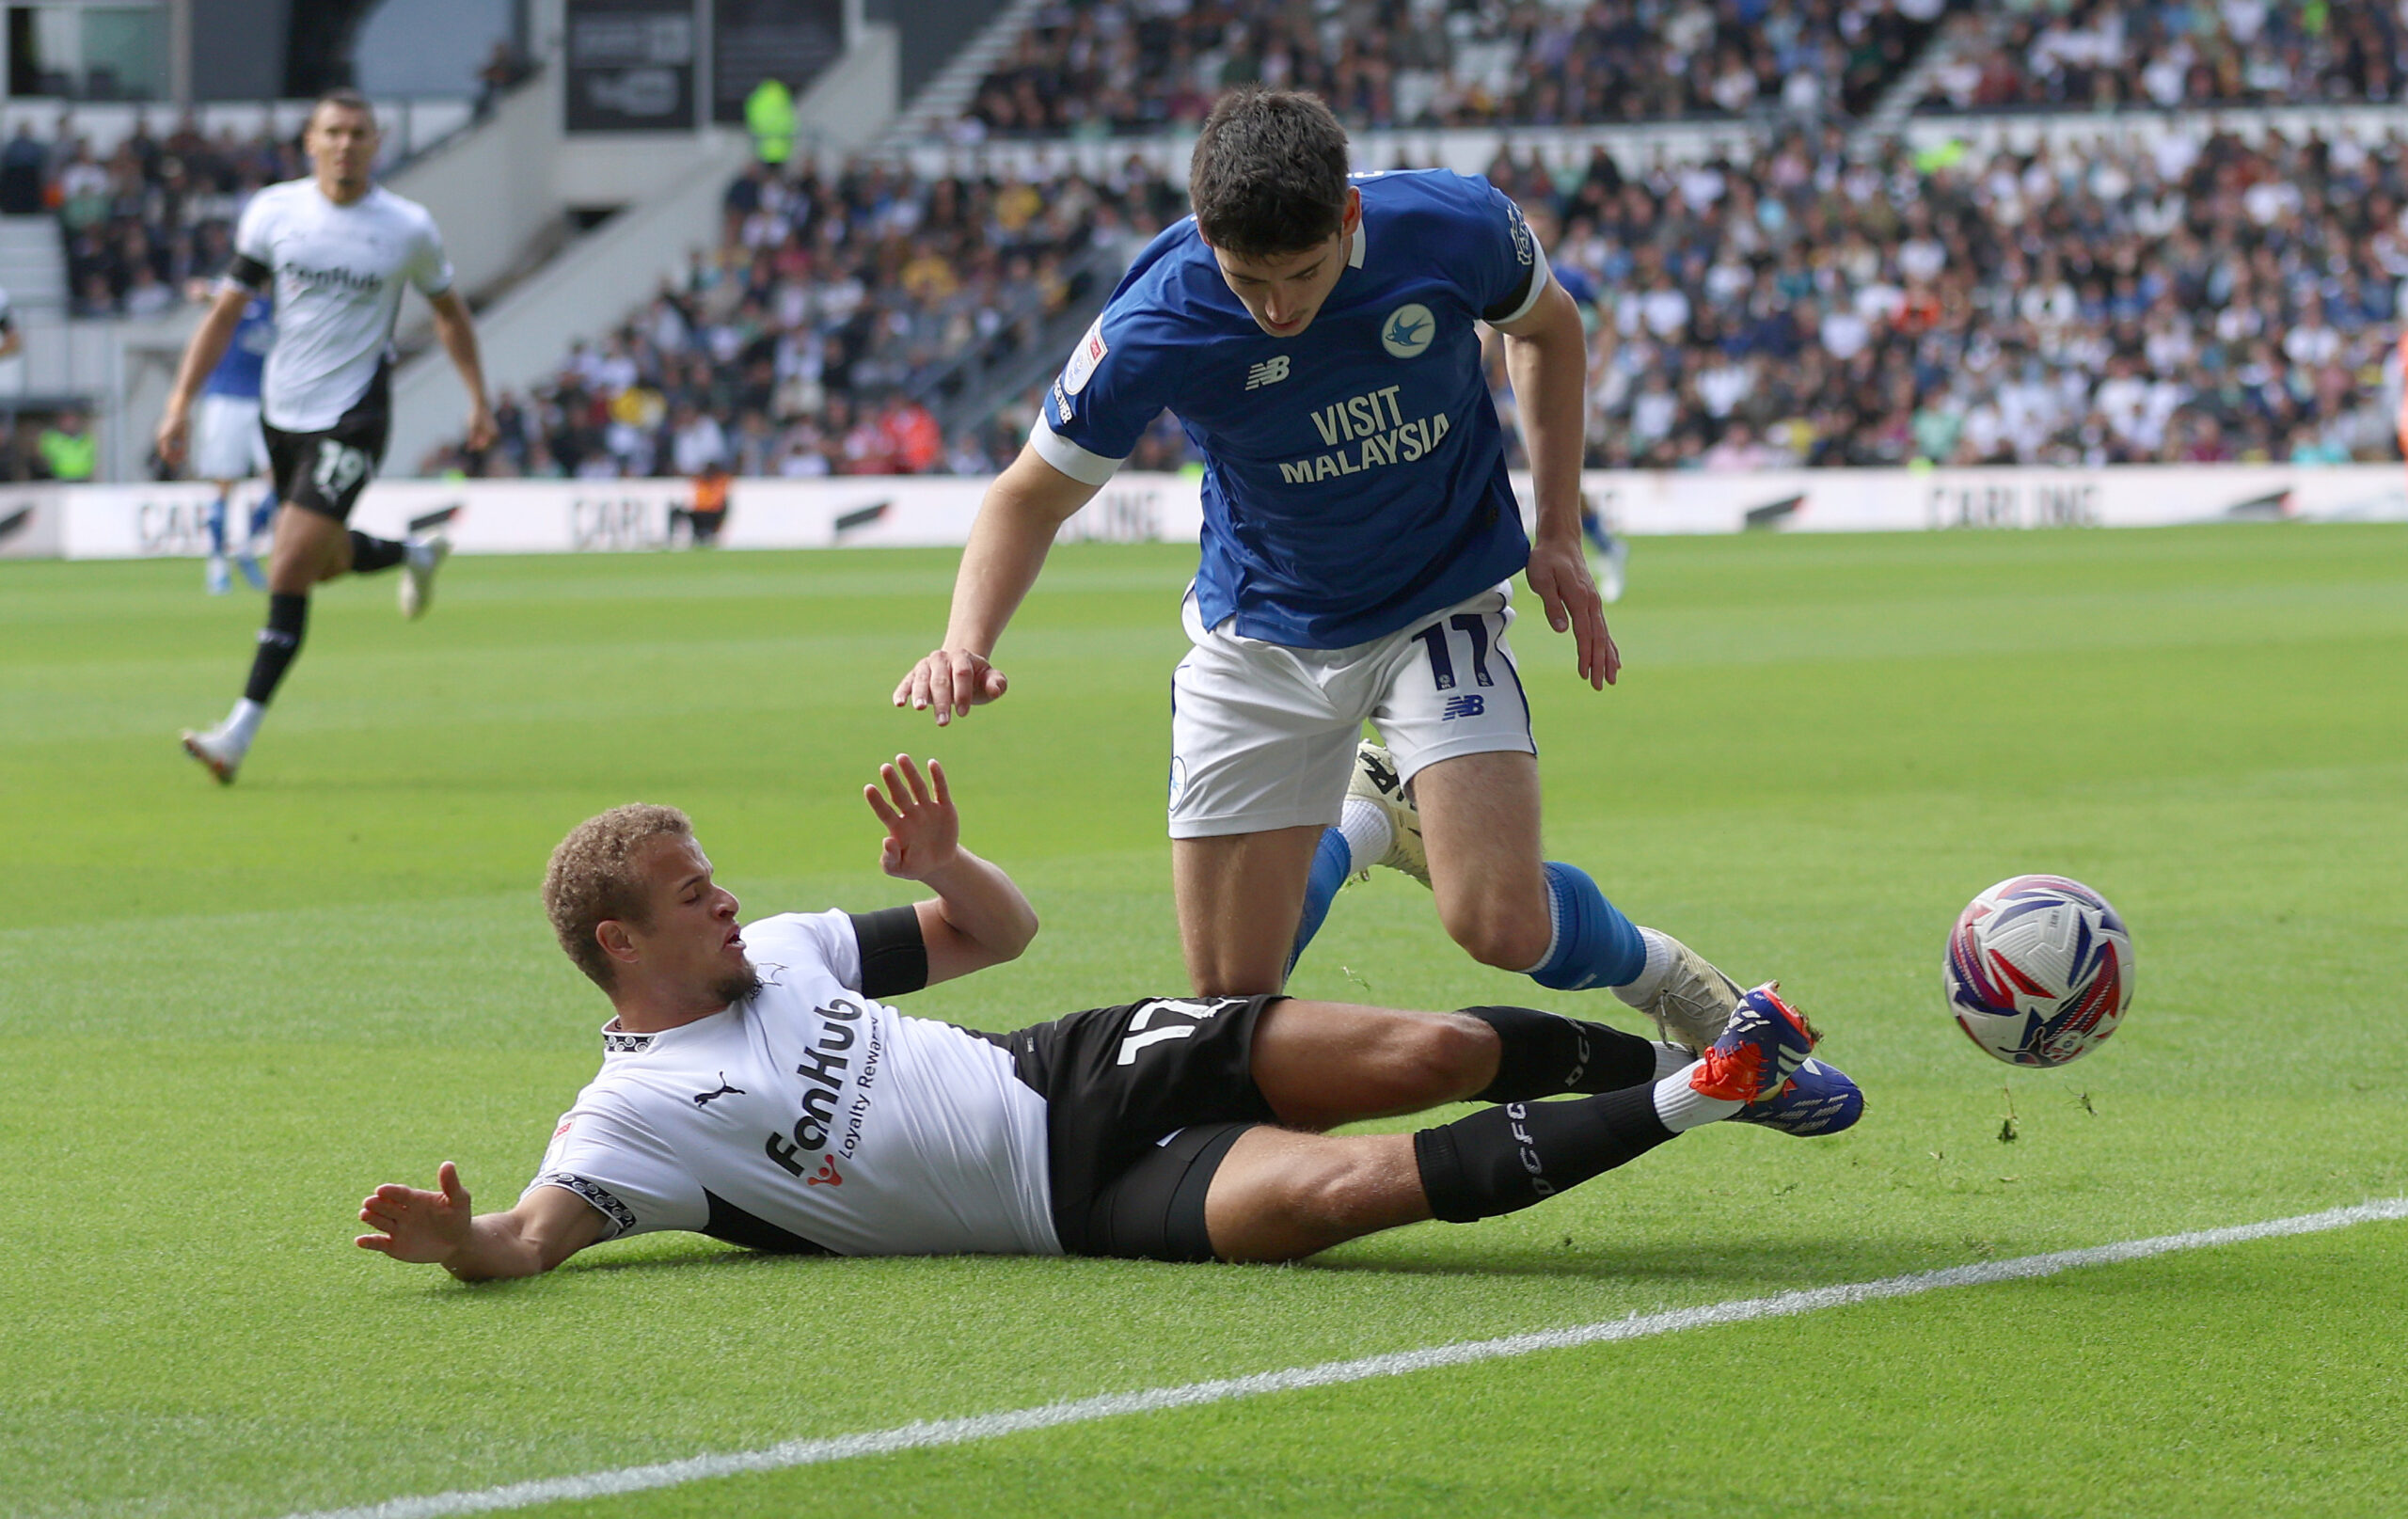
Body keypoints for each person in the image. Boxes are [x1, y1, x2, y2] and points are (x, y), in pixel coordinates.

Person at [894, 88, 1818, 1081]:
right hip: (1261, 629)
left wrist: (1556, 532)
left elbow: (1548, 332)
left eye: (1302, 273)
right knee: (1232, 1004)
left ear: (1348, 219)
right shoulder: (1156, 319)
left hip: (1437, 598)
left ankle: (1663, 976)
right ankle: (1364, 817)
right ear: (1207, 236)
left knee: (1497, 921)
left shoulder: (1453, 226)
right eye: (1248, 281)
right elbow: (1027, 495)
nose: (1278, 309)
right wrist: (966, 640)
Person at [355, 756, 1860, 1280]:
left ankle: (1690, 1054)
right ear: (622, 942)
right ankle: (1705, 1088)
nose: (729, 902)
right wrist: (462, 1239)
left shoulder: (797, 951)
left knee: (1437, 1051)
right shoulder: (626, 1122)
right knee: (1348, 1190)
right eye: (695, 896)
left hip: (1082, 1058)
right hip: (1082, 1201)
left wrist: (946, 869)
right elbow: (534, 1235)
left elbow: (994, 935)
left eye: (716, 877)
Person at [159, 89, 498, 785]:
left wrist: (478, 399)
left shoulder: (406, 227)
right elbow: (224, 313)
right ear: (309, 142)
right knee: (321, 559)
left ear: (379, 143)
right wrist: (179, 401)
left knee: (287, 569)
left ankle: (237, 733)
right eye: (333, 132)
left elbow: (450, 315)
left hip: (354, 414)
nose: (346, 144)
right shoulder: (274, 212)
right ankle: (411, 553)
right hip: (281, 411)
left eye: (359, 133)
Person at [185, 280, 277, 594]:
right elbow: (205, 294)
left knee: (279, 482)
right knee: (225, 483)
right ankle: (217, 562)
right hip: (227, 400)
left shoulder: (277, 310)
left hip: (265, 401)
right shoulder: (236, 300)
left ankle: (247, 548)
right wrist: (205, 294)